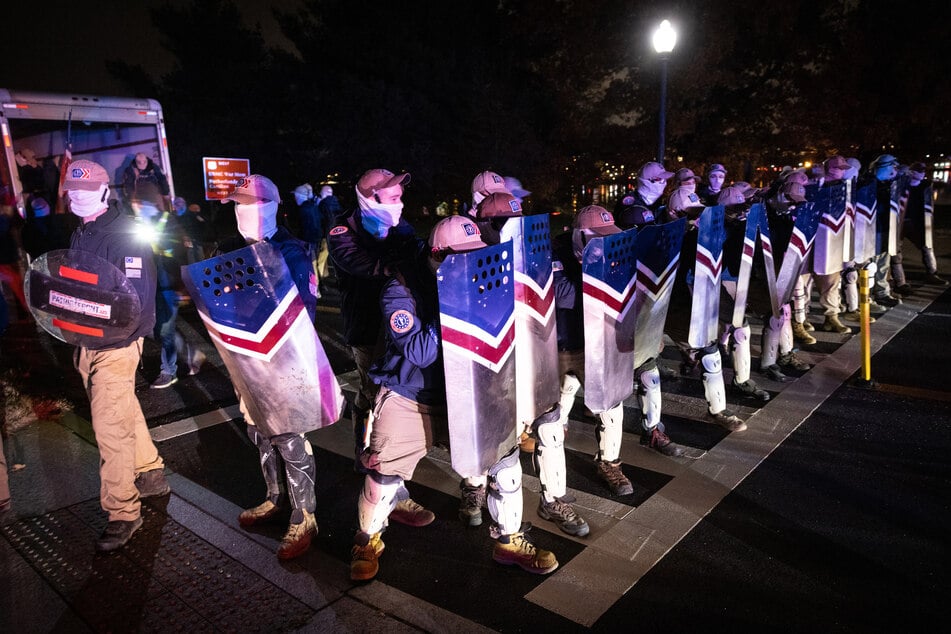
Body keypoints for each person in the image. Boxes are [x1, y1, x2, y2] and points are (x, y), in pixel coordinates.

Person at [350, 215, 558, 580]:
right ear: (435, 255)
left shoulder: (482, 277)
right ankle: (367, 540)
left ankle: (509, 540)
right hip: (411, 393)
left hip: (470, 390)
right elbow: (418, 350)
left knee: (506, 466)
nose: (469, 264)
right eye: (458, 257)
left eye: (474, 255)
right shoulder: (400, 288)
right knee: (382, 477)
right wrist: (457, 303)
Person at [62, 159, 169, 552]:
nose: (78, 199)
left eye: (86, 193)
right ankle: (151, 471)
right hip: (86, 341)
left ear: (105, 192)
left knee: (109, 425)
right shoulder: (83, 230)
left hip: (117, 343)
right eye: (72, 193)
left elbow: (133, 302)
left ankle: (124, 511)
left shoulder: (125, 234)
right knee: (120, 408)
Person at [217, 174, 322, 559]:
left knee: (288, 437)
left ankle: (304, 515)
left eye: (249, 204)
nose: (242, 212)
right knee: (258, 431)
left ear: (270, 206)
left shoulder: (291, 250)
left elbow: (301, 313)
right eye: (238, 205)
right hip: (244, 358)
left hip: (283, 360)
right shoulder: (229, 248)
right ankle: (275, 498)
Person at [472, 192, 589, 537]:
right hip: (494, 364)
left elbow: (555, 296)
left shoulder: (536, 252)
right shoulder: (470, 257)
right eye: (504, 222)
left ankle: (552, 500)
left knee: (551, 428)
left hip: (534, 355)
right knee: (496, 442)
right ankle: (481, 495)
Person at [328, 168, 434, 526]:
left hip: (401, 328)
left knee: (388, 397)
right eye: (392, 198)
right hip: (369, 329)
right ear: (368, 199)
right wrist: (399, 271)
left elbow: (420, 253)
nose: (399, 204)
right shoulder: (344, 231)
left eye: (400, 197)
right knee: (376, 395)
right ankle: (377, 469)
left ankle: (388, 475)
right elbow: (360, 263)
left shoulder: (401, 228)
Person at [890, 162, 947, 292]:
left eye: (922, 171)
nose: (921, 174)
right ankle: (900, 281)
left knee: (927, 246)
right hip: (900, 222)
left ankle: (931, 273)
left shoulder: (925, 187)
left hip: (916, 223)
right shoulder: (900, 185)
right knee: (895, 251)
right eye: (918, 171)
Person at [614, 161, 673, 226]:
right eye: (659, 179)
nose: (664, 182)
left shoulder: (656, 202)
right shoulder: (633, 208)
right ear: (646, 181)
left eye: (665, 179)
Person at [315, 185, 341, 288]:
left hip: (326, 236)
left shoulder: (324, 204)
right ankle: (329, 276)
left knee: (320, 259)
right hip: (337, 235)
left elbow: (321, 220)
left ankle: (321, 281)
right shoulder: (336, 203)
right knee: (333, 259)